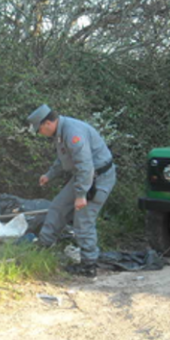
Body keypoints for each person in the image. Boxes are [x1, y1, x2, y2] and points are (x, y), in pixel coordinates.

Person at [26, 104, 117, 277]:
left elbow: (85, 165)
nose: (40, 134)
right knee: (58, 207)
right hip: (84, 176)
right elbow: (64, 159)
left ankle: (89, 265)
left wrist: (81, 195)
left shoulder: (73, 133)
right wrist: (49, 175)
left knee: (83, 221)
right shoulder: (60, 133)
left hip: (98, 178)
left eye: (39, 130)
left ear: (47, 124)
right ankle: (43, 246)